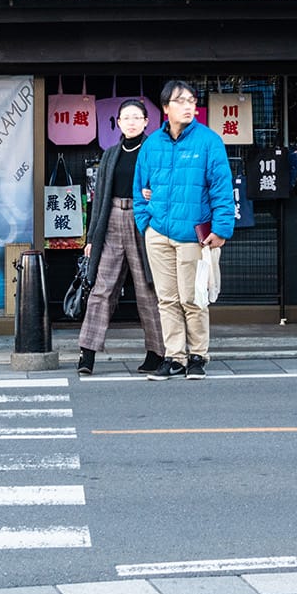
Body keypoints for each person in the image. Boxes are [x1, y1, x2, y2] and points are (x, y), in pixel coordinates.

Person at [133, 79, 233, 381]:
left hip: (192, 234)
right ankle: (174, 356)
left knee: (193, 298)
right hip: (158, 233)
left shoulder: (208, 141)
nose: (189, 106)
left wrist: (222, 228)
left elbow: (221, 188)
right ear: (165, 108)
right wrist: (145, 223)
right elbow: (140, 189)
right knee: (166, 299)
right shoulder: (152, 144)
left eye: (192, 100)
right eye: (181, 101)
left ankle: (198, 355)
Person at [76, 99, 167, 377]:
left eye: (136, 117)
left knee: (147, 289)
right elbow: (99, 198)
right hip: (112, 218)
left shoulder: (155, 150)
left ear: (146, 121)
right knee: (101, 287)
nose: (130, 122)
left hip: (143, 220)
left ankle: (156, 353)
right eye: (125, 117)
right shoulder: (110, 153)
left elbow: (168, 185)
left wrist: (154, 193)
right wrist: (92, 237)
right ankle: (87, 352)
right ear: (118, 121)